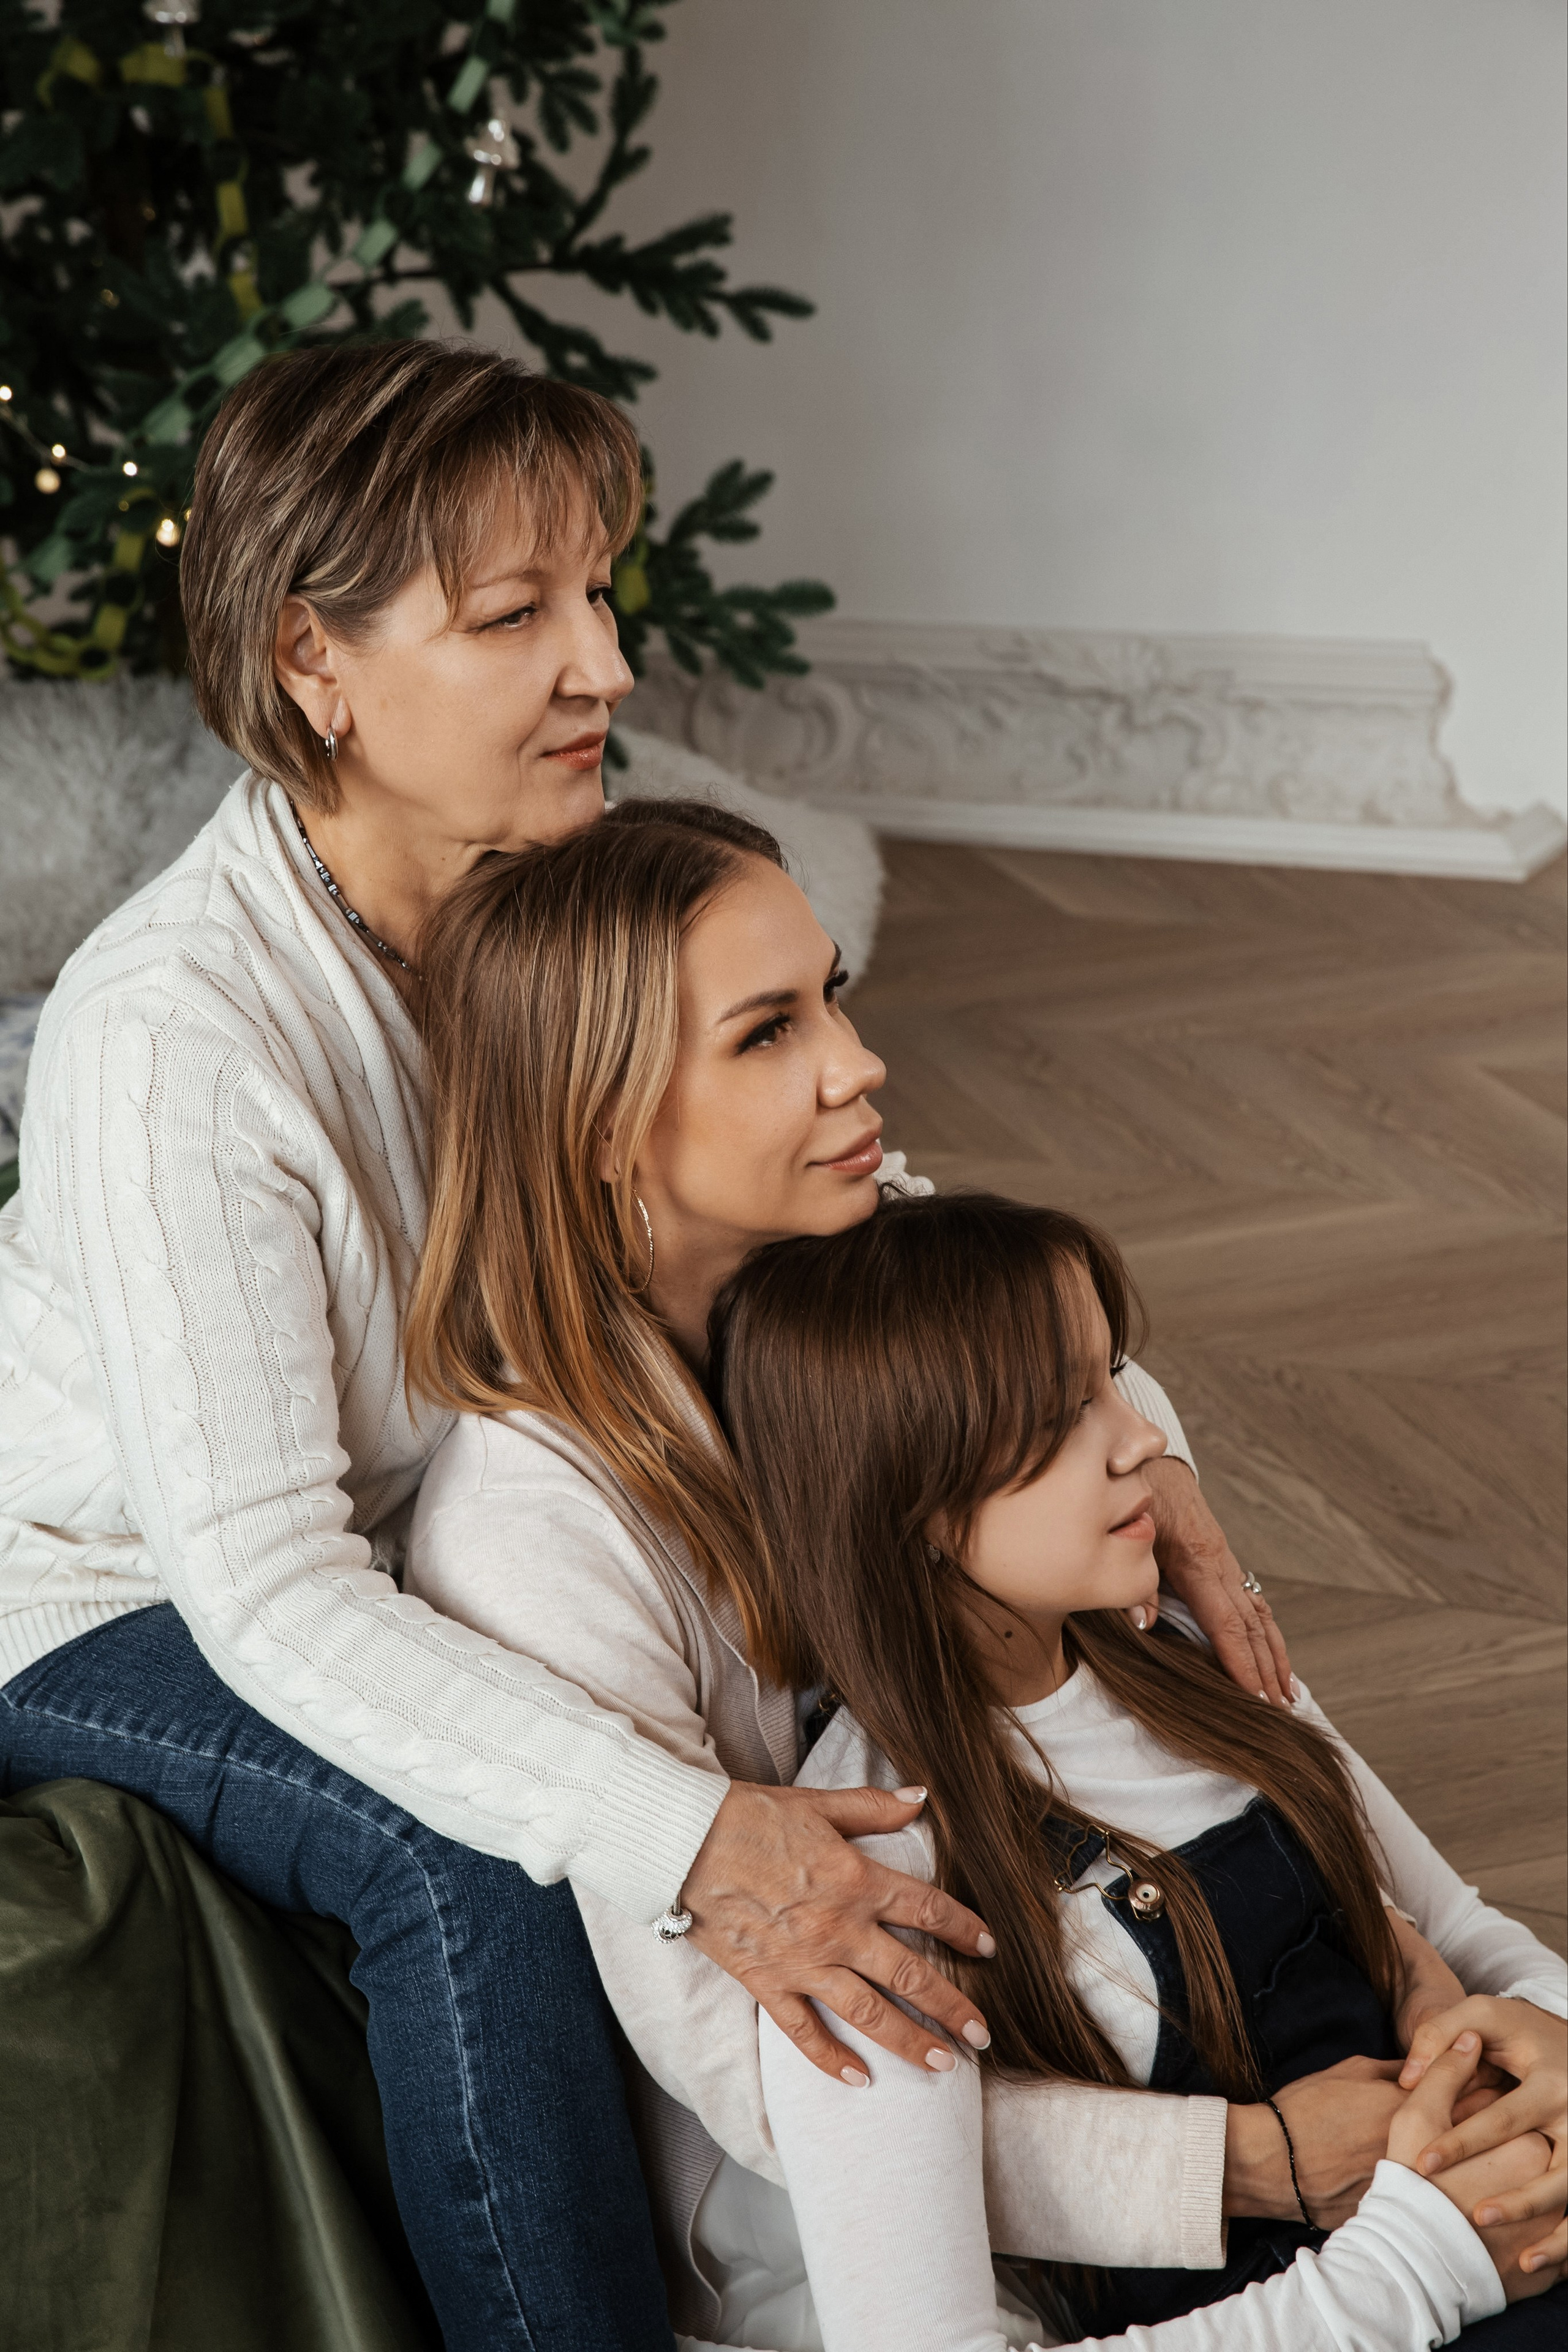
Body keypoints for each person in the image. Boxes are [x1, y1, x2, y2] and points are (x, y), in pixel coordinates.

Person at [0, 336, 1265, 2346]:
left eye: (599, 594)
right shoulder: (170, 1040)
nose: (605, 667)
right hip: (116, 1592)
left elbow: (865, 1201)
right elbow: (260, 1580)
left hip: (479, 1493)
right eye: (519, 618)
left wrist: (1124, 1425)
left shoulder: (581, 867)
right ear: (308, 661)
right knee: (469, 1862)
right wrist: (688, 1831)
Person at [398, 796, 1564, 2348]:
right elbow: (783, 2084)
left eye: (838, 996)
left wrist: (1518, 2040)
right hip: (946, 2205)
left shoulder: (871, 1283)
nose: (857, 1063)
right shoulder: (544, 1538)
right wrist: (1281, 2173)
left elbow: (1397, 1874)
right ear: (604, 1121)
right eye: (765, 1033)